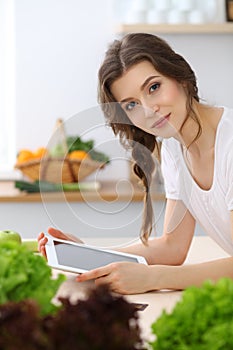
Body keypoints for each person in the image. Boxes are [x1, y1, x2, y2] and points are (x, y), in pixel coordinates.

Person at [38, 33, 233, 294]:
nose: (149, 110)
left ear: (181, 77)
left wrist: (154, 278)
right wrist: (89, 255)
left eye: (154, 87)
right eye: (131, 105)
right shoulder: (175, 146)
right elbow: (172, 247)